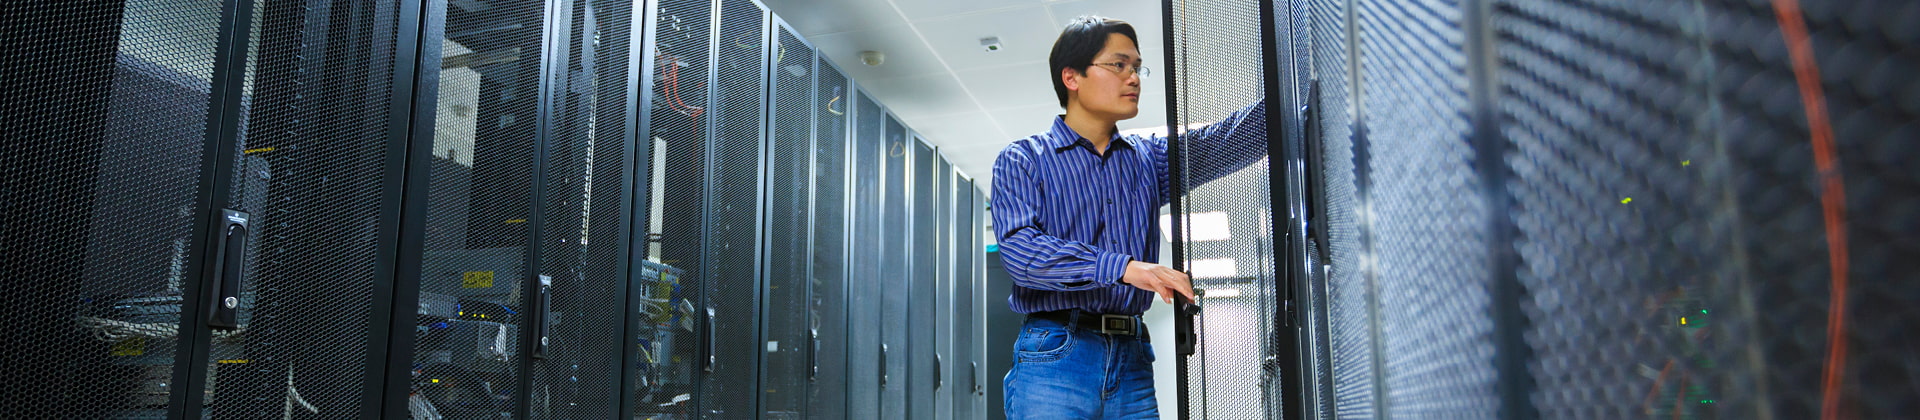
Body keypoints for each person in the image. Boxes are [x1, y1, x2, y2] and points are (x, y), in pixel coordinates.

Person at [993, 15, 1268, 420]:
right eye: (1118, 65)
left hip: (1132, 357)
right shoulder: (1024, 159)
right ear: (1072, 77)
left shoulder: (1148, 158)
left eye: (1137, 67)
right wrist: (1124, 268)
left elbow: (1232, 139)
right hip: (1057, 352)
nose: (1134, 77)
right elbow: (1021, 254)